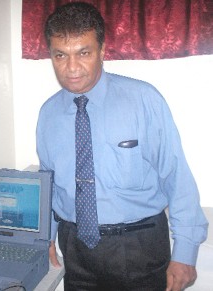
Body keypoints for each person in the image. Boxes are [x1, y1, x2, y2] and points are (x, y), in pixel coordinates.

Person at [36, 2, 208, 290]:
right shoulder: (48, 114)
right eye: (60, 55)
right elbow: (48, 185)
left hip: (139, 246)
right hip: (75, 249)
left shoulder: (143, 100)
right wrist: (45, 237)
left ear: (103, 51)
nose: (72, 67)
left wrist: (185, 253)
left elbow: (176, 176)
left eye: (84, 53)